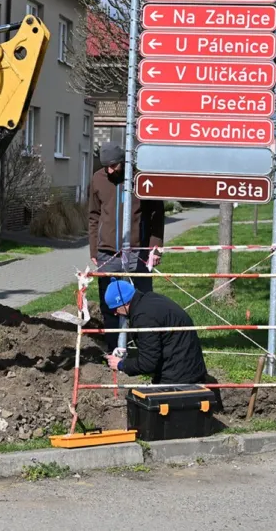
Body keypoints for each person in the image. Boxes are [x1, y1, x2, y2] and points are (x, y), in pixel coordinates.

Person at [87, 142, 165, 305]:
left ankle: (140, 330)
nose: (109, 170)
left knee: (143, 299)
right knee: (109, 301)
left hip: (138, 251)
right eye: (106, 166)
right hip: (107, 253)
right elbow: (94, 216)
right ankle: (113, 330)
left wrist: (155, 249)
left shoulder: (142, 179)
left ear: (123, 161)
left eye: (113, 165)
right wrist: (94, 250)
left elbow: (156, 215)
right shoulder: (98, 179)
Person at [102, 276, 209, 387]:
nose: (115, 313)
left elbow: (148, 363)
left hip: (179, 378)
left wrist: (121, 364)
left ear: (124, 302)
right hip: (189, 367)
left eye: (115, 309)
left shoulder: (144, 317)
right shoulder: (150, 299)